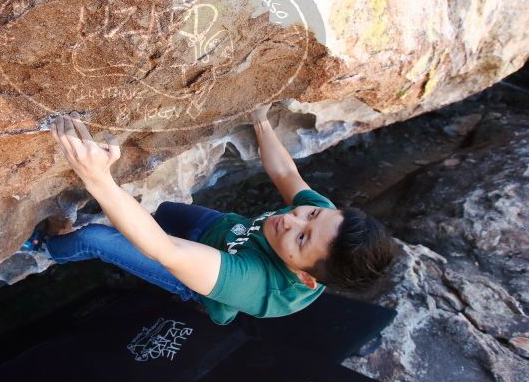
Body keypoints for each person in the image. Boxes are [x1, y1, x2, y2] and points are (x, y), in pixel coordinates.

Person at [39, 105, 396, 325]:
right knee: (164, 210)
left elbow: (166, 251)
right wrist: (260, 121)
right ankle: (128, 217)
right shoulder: (326, 223)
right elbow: (288, 176)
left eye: (301, 238)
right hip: (227, 231)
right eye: (312, 215)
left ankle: (45, 245)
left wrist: (98, 179)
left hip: (205, 272)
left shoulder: (259, 285)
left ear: (306, 277)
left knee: (94, 238)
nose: (292, 220)